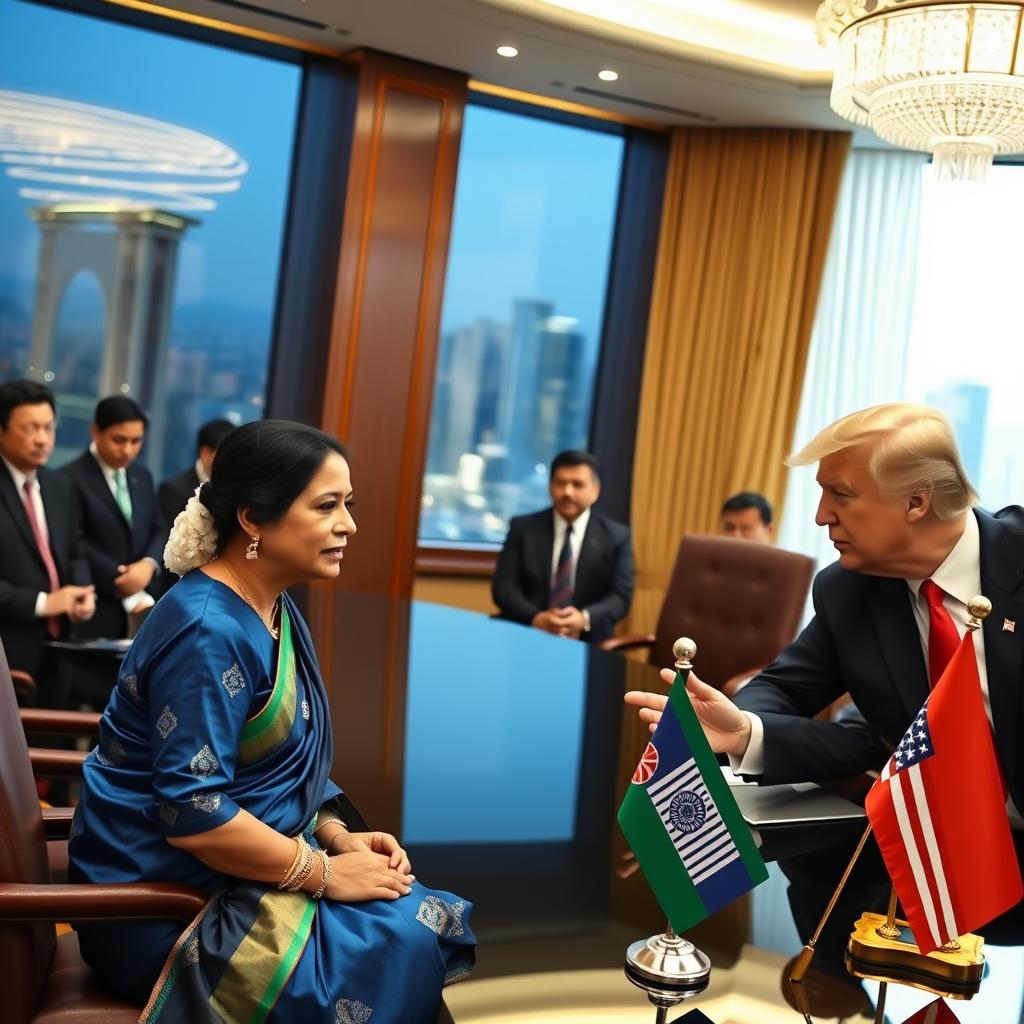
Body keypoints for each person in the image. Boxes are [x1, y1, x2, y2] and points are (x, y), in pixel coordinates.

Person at [68, 420, 475, 1023]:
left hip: (228, 872)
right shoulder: (209, 631)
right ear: (253, 518)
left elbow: (275, 768)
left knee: (409, 916)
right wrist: (323, 871)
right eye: (327, 506)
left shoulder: (269, 604)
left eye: (348, 505)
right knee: (402, 937)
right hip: (169, 905)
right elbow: (194, 813)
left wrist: (335, 833)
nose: (349, 525)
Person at [624, 403, 1024, 984]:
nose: (819, 517)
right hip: (928, 859)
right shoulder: (849, 589)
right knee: (813, 925)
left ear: (917, 501)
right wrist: (744, 730)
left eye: (841, 494)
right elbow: (784, 686)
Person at [0, 380, 94, 705]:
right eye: (30, 428)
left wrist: (81, 592)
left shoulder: (59, 486)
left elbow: (76, 551)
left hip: (60, 653)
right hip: (8, 654)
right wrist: (43, 603)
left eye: (48, 428)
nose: (42, 439)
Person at [492, 450, 634, 642]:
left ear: (595, 490)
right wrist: (538, 618)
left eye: (577, 485)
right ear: (550, 486)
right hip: (526, 634)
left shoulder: (617, 537)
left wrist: (584, 619)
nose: (567, 492)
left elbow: (620, 596)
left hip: (589, 641)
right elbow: (503, 588)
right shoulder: (522, 528)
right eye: (560, 483)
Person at [62, 396, 168, 638]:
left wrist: (148, 565)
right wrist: (123, 580)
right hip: (96, 608)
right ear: (96, 431)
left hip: (143, 607)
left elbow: (158, 527)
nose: (128, 450)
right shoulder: (68, 479)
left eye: (136, 441)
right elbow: (74, 542)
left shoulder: (142, 475)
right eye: (119, 440)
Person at [158, 418, 236, 528]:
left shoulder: (236, 487)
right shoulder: (174, 490)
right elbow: (170, 538)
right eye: (227, 454)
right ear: (205, 452)